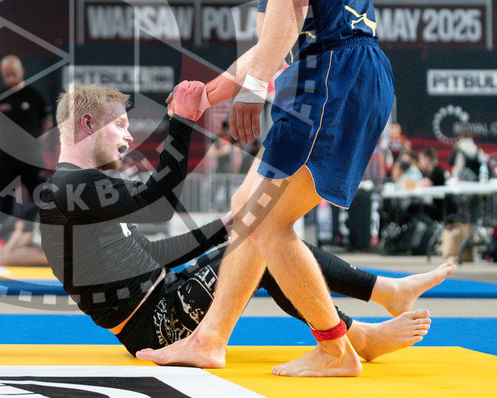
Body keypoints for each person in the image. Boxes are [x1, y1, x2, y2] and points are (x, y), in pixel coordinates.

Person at [141, 0, 394, 376]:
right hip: (332, 71)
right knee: (247, 212)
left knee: (262, 221)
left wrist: (256, 89)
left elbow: (292, 1)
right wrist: (217, 90)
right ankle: (210, 339)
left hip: (335, 72)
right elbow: (269, 37)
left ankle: (335, 349)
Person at [39, 84, 444, 361]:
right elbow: (156, 203)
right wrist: (181, 123)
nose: (128, 138)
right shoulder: (69, 187)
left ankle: (380, 300)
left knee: (263, 236)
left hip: (160, 300)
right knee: (265, 245)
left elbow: (150, 255)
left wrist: (225, 225)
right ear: (88, 124)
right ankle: (362, 329)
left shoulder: (84, 187)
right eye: (120, 126)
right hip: (153, 325)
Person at [0, 55, 51, 224]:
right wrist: (5, 141)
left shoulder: (35, 96)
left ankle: (46, 237)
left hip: (31, 157)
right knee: (5, 202)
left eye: (13, 74)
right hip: (6, 158)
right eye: (6, 75)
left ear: (22, 71)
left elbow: (47, 122)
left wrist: (35, 143)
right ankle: (4, 240)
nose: (10, 78)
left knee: (41, 198)